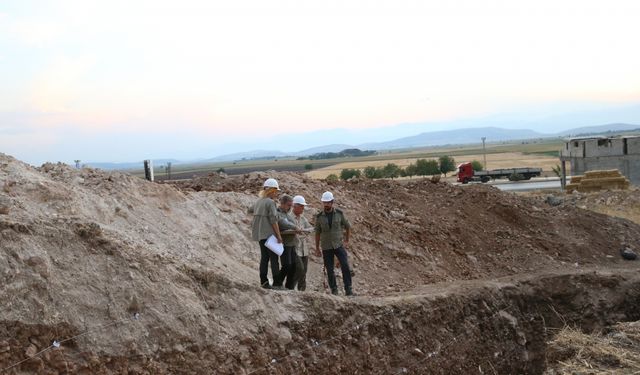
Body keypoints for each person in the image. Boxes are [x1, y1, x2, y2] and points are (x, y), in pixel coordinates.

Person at [314, 191, 353, 296]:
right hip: (326, 247)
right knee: (330, 270)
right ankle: (334, 291)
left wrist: (347, 241)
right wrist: (317, 248)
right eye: (324, 202)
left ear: (332, 202)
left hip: (338, 245)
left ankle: (348, 289)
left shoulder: (339, 214)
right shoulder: (319, 217)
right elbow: (317, 233)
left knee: (345, 265)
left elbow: (348, 226)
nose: (326, 204)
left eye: (328, 202)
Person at [249, 178, 282, 289]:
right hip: (269, 235)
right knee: (274, 259)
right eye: (276, 191)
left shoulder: (258, 201)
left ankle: (264, 282)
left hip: (259, 234)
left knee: (264, 258)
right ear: (272, 190)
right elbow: (274, 221)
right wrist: (278, 236)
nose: (277, 193)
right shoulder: (270, 202)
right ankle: (277, 283)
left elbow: (250, 210)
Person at [273, 195, 298, 290]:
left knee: (293, 266)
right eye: (288, 205)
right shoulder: (277, 213)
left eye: (291, 205)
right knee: (287, 265)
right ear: (282, 204)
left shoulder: (288, 214)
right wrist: (294, 227)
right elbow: (282, 222)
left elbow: (292, 223)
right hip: (284, 243)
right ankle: (277, 283)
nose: (290, 207)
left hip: (292, 243)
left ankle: (289, 286)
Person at [291, 195, 314, 291]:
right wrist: (301, 231)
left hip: (304, 248)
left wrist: (304, 230)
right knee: (299, 268)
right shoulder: (290, 217)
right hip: (295, 247)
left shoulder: (302, 218)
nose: (303, 209)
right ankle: (290, 287)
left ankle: (302, 291)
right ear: (295, 206)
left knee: (304, 270)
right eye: (301, 206)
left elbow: (311, 228)